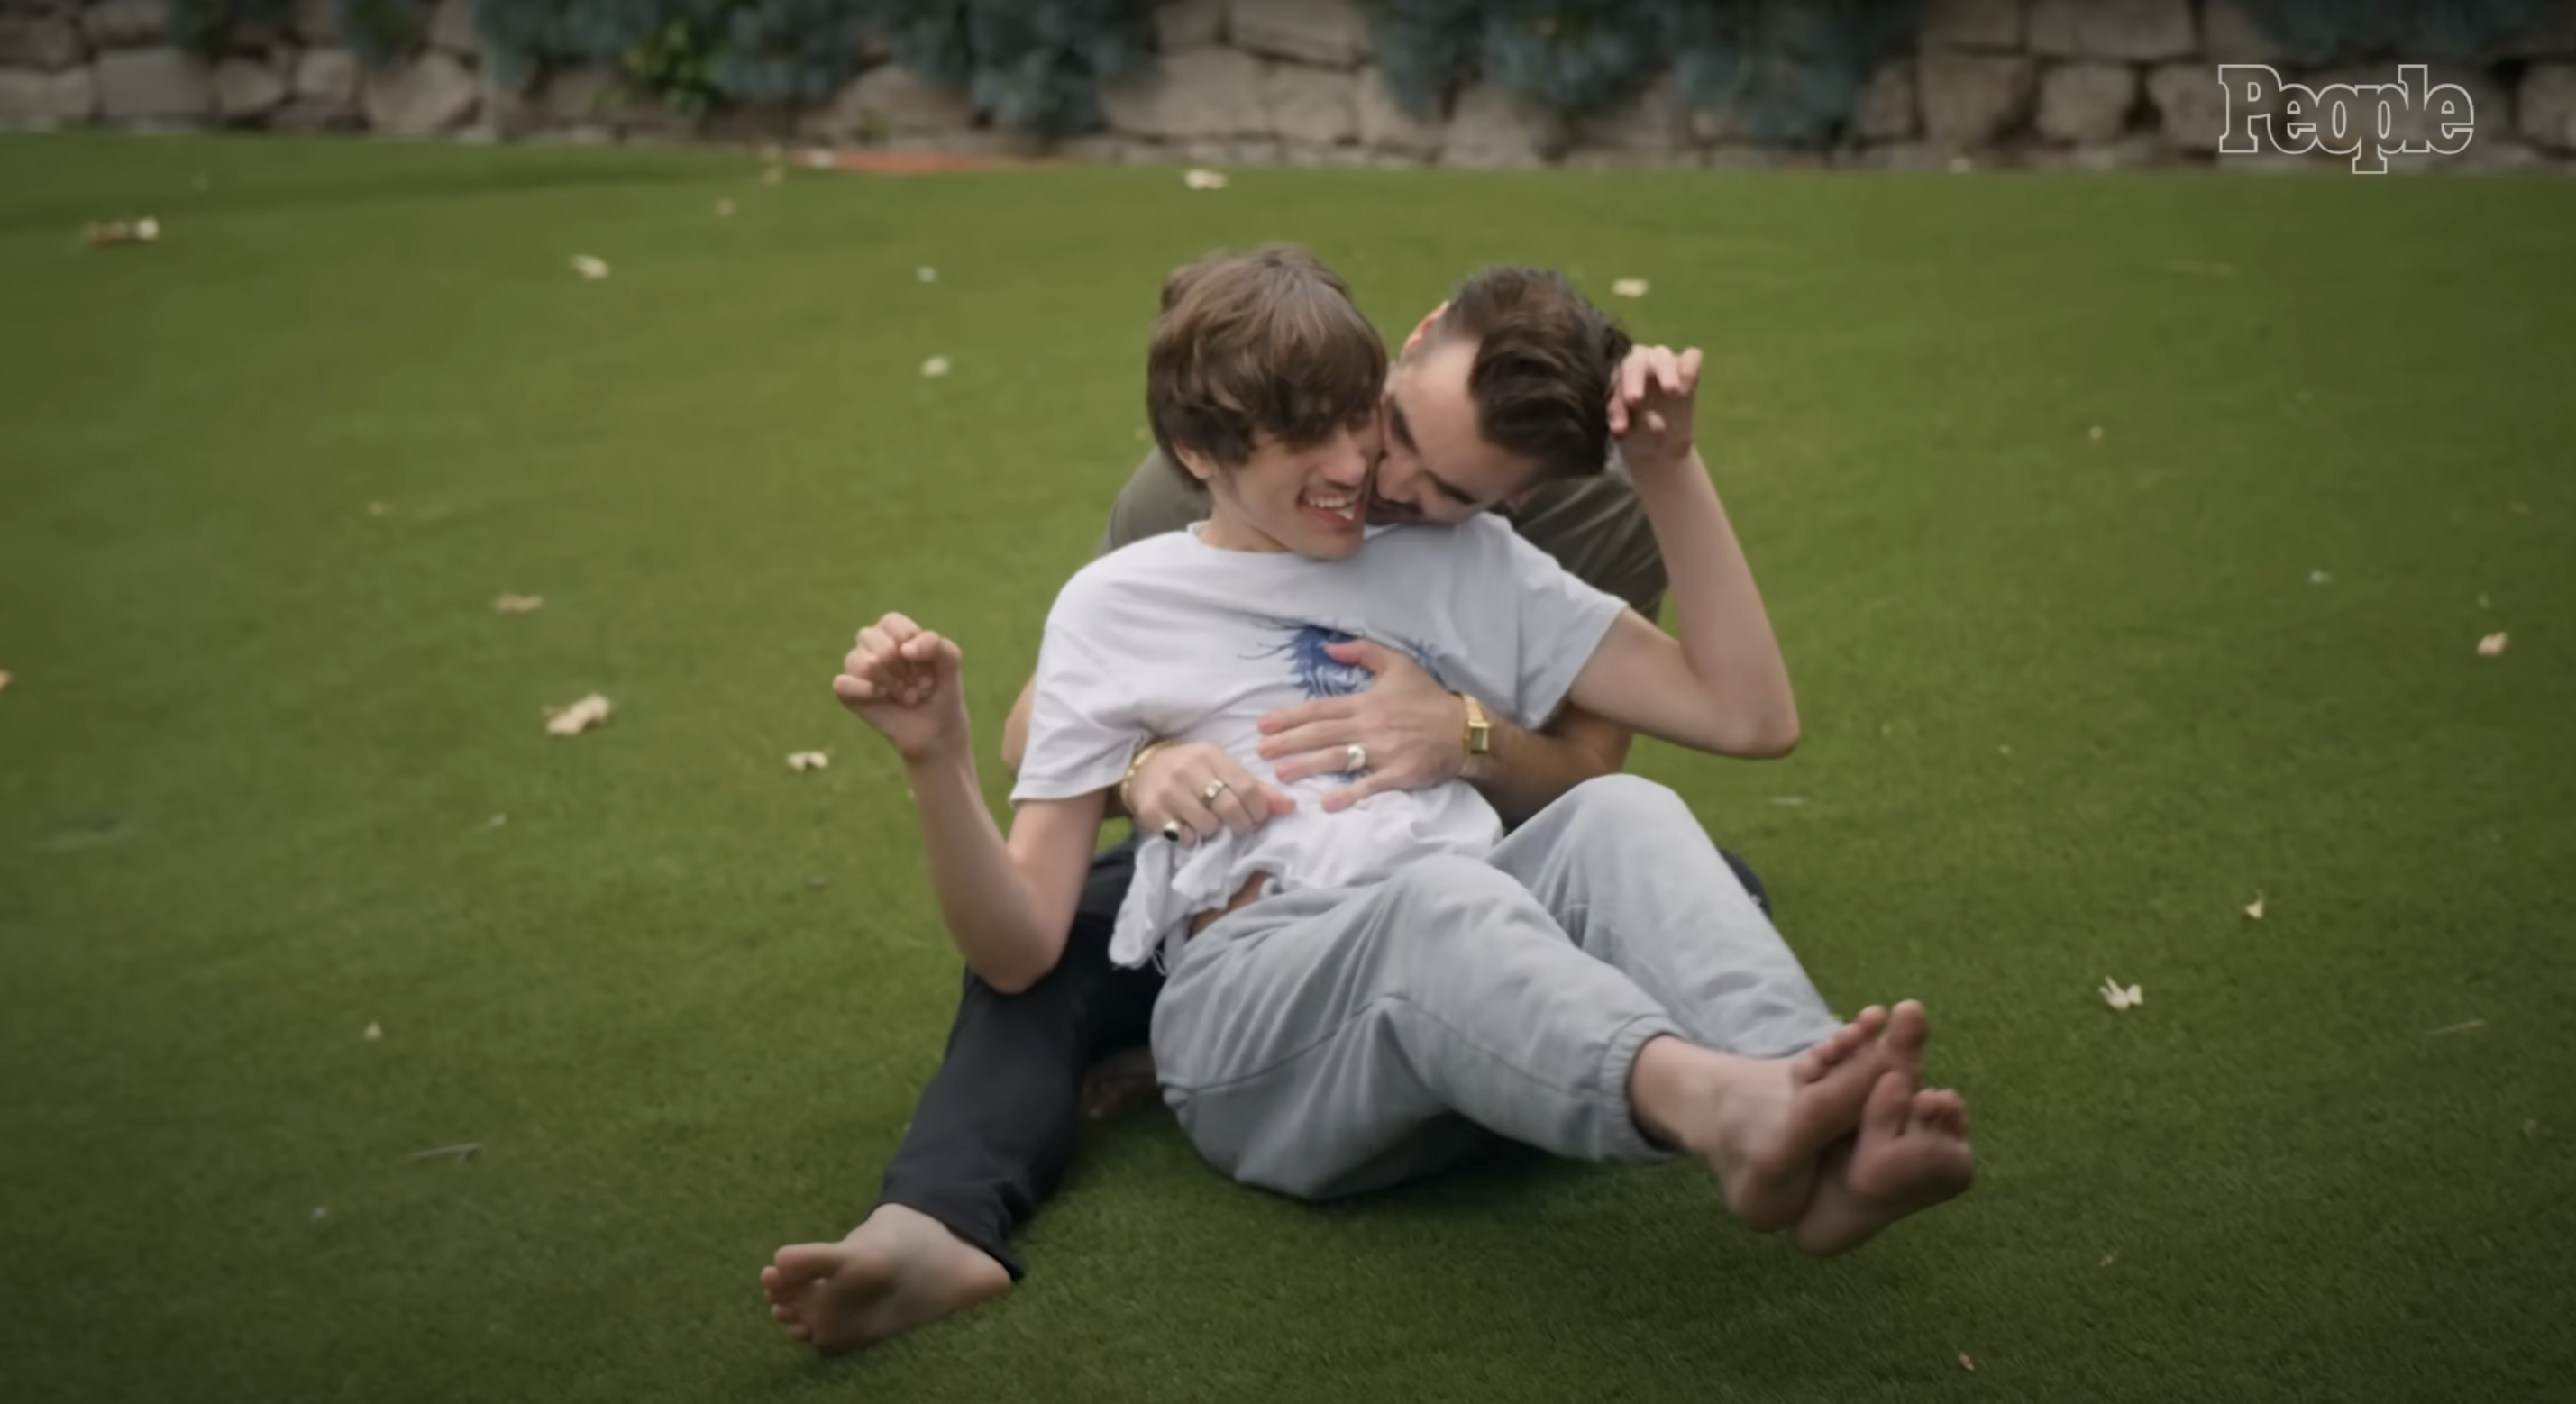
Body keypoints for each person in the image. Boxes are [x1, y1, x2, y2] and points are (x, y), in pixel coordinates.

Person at [763, 247, 1972, 1353]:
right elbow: (1023, 937)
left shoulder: (1469, 553)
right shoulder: (1123, 594)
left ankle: (1826, 1107)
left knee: (1631, 820)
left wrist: (1663, 463)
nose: (1359, 469)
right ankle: (1718, 1108)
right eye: (1323, 438)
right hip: (1259, 1003)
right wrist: (947, 758)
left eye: (1360, 423)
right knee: (1431, 904)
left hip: (1458, 942)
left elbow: (1749, 719)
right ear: (1201, 456)